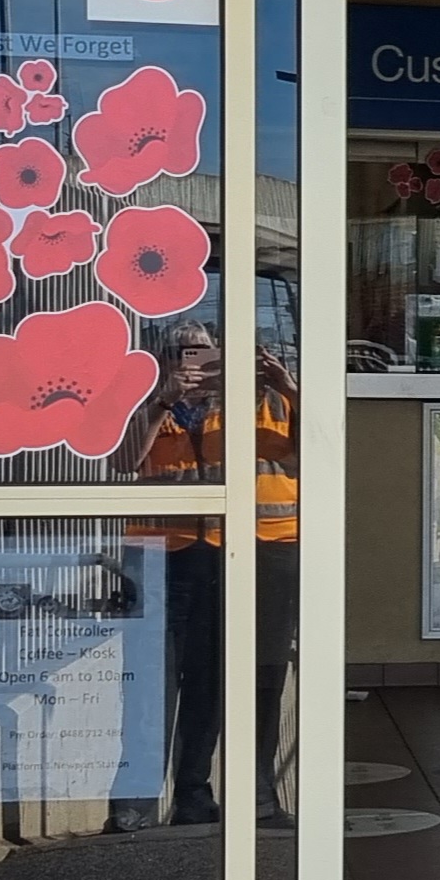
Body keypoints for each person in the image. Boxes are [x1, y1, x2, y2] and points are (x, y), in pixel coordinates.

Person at [111, 317, 300, 832]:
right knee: (153, 680)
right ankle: (134, 806)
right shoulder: (146, 403)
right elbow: (124, 460)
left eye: (203, 352)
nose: (193, 362)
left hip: (248, 549)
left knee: (222, 683)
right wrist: (162, 401)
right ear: (164, 361)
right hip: (164, 553)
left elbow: (318, 451)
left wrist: (285, 386)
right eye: (181, 353)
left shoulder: (267, 401)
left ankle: (224, 797)